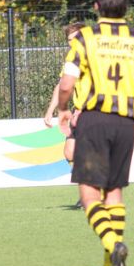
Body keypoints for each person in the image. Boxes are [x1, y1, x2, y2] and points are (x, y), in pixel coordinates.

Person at [57, 0, 134, 266]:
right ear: (126, 6)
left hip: (94, 120)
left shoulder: (85, 39)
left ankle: (112, 244)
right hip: (125, 124)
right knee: (114, 191)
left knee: (89, 193)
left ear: (96, 6)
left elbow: (67, 83)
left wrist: (63, 109)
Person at [43, 22, 85, 208]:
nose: (72, 43)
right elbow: (62, 85)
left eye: (75, 38)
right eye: (69, 40)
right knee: (69, 152)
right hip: (79, 111)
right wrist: (51, 110)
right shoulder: (72, 58)